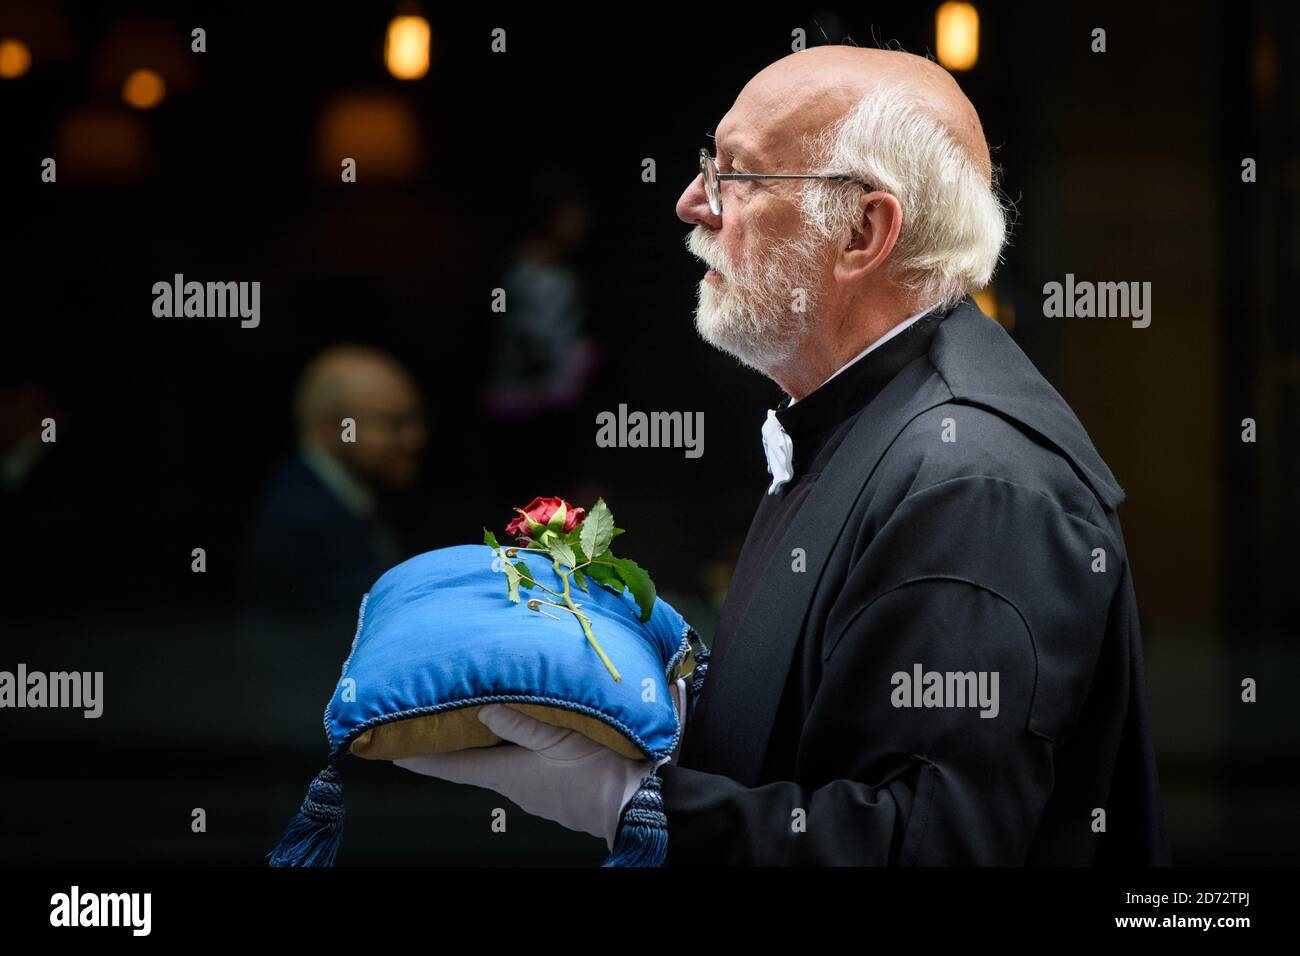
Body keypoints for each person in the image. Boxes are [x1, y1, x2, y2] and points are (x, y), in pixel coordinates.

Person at [399, 46, 1170, 865]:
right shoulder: (867, 419)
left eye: (739, 174)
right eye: (709, 164)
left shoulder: (972, 482)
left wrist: (626, 799)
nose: (694, 202)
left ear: (863, 231)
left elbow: (927, 848)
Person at [240, 344, 426, 620]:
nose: (415, 439)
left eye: (415, 420)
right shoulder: (303, 519)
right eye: (393, 423)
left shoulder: (346, 499)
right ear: (330, 427)